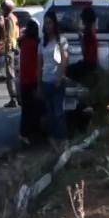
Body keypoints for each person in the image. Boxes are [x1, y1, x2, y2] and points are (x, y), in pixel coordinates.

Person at [39, 9, 69, 150]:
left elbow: (64, 59)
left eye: (50, 23)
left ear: (55, 24)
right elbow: (39, 64)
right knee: (50, 113)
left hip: (57, 82)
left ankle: (63, 139)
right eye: (46, 23)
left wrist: (61, 76)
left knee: (58, 113)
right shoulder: (42, 43)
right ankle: (53, 140)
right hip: (46, 81)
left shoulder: (60, 40)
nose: (48, 26)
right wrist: (39, 83)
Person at [17, 20, 41, 146]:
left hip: (24, 80)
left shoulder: (24, 42)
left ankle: (25, 133)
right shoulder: (34, 44)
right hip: (32, 80)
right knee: (32, 109)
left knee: (27, 109)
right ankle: (27, 134)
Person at [0, 0, 19, 108]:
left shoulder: (9, 19)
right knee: (11, 74)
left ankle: (13, 98)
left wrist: (7, 53)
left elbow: (9, 36)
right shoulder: (12, 18)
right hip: (12, 48)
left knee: (10, 75)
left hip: (9, 49)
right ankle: (14, 98)